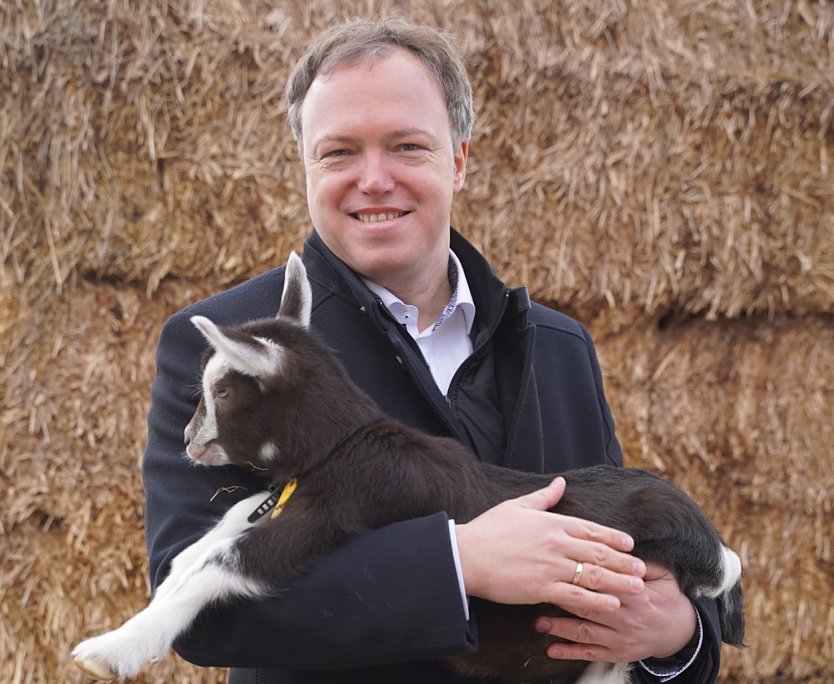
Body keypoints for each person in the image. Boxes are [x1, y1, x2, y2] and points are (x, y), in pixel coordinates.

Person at [142, 16, 723, 684]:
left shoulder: (561, 350)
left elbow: (630, 549)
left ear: (459, 159)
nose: (374, 179)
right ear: (304, 165)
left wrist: (676, 638)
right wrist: (456, 563)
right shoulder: (227, 347)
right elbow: (201, 613)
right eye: (339, 153)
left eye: (407, 147)